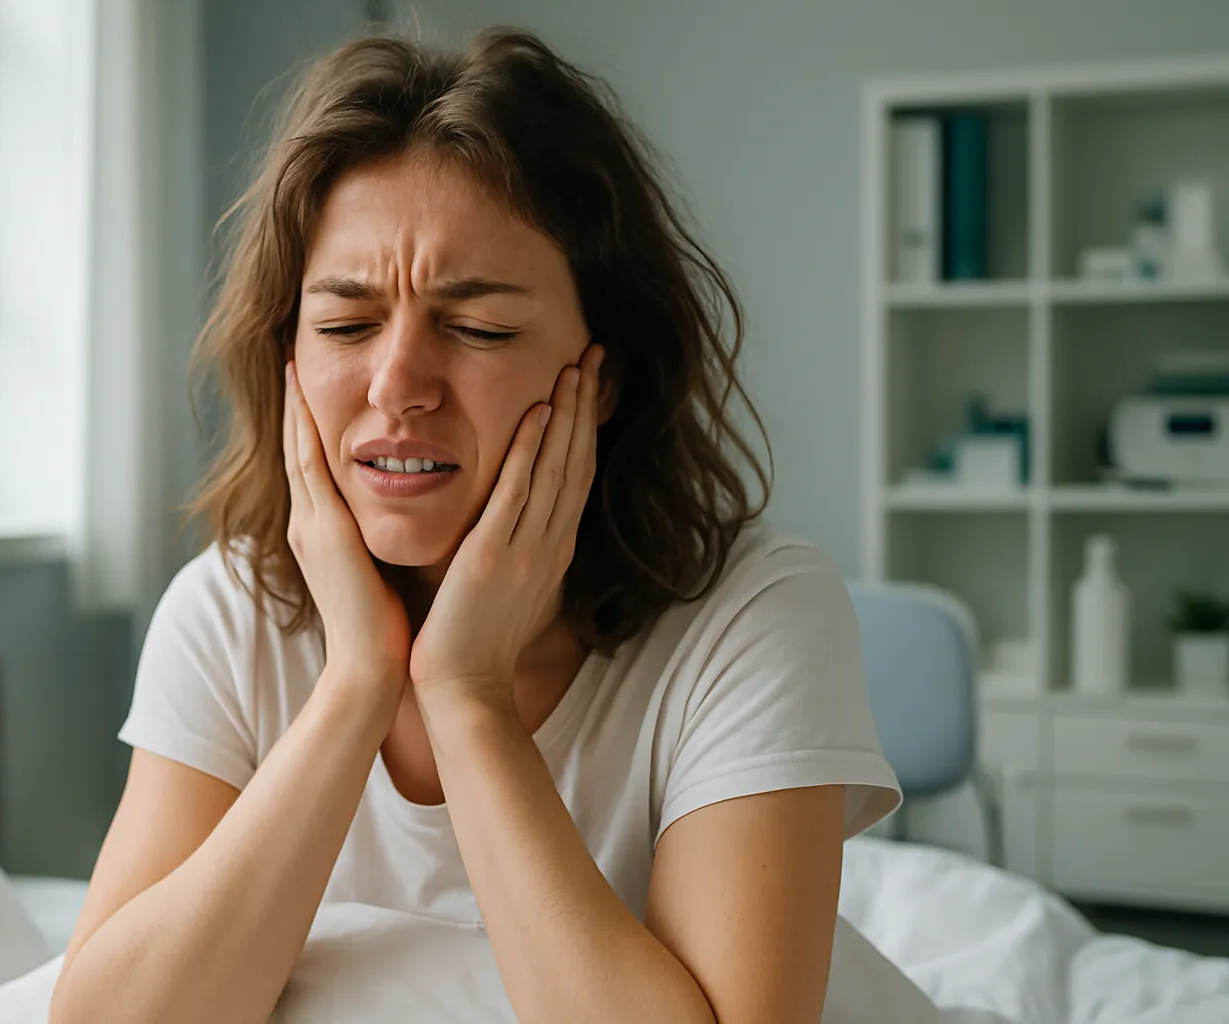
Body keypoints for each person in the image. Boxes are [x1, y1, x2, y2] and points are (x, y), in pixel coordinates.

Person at [49, 26, 900, 1024]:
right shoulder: (230, 609)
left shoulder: (755, 612)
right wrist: (357, 683)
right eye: (345, 325)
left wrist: (466, 696)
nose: (397, 385)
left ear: (606, 374)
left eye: (478, 327)